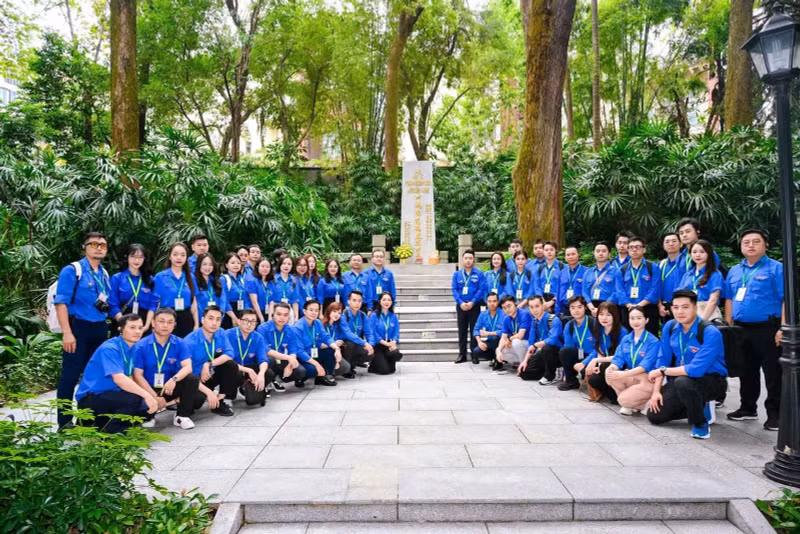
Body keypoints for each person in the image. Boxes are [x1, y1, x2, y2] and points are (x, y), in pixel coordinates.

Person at [723, 229, 784, 431]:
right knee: (745, 371)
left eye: (755, 242)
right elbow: (729, 298)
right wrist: (728, 324)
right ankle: (747, 408)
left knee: (773, 373)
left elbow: (786, 300)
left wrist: (783, 328)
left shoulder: (776, 269)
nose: (750, 245)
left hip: (768, 328)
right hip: (741, 328)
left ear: (765, 245)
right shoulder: (735, 270)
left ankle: (775, 414)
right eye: (746, 242)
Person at [647, 290, 728, 439]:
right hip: (680, 380)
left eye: (685, 307)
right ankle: (697, 404)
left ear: (695, 308)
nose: (680, 312)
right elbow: (662, 360)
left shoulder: (710, 332)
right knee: (655, 416)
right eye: (676, 307)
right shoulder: (670, 327)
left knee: (684, 382)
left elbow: (696, 370)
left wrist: (663, 371)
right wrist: (656, 392)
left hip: (711, 380)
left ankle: (700, 422)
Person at [54, 232, 112, 429]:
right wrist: (67, 332)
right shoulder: (73, 270)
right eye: (94, 244)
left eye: (103, 245)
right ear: (85, 247)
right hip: (78, 327)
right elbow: (61, 302)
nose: (99, 248)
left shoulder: (104, 273)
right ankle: (64, 421)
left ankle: (87, 419)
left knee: (94, 374)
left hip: (100, 328)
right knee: (70, 375)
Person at [75, 314, 156, 433]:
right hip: (91, 397)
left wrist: (151, 398)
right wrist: (147, 395)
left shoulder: (133, 348)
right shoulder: (110, 348)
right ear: (121, 329)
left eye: (140, 327)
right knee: (135, 399)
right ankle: (111, 433)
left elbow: (129, 376)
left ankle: (102, 424)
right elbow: (119, 379)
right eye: (132, 327)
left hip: (111, 395)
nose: (137, 331)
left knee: (145, 406)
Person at [132, 308, 206, 430]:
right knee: (140, 409)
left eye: (170, 322)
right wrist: (153, 397)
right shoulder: (141, 346)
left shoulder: (180, 343)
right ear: (153, 323)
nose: (165, 325)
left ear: (174, 325)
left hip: (169, 387)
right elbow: (137, 376)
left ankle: (181, 416)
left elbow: (188, 367)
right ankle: (150, 415)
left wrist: (174, 380)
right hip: (147, 388)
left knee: (192, 381)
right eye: (161, 321)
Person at [183, 306, 238, 416]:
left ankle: (220, 401)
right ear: (203, 320)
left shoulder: (221, 333)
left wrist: (208, 364)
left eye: (218, 319)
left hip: (210, 374)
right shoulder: (190, 341)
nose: (214, 323)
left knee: (231, 366)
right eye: (211, 318)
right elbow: (185, 373)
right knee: (197, 402)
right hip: (194, 379)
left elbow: (229, 354)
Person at [605, 306, 661, 415]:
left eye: (639, 318)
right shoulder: (626, 339)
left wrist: (623, 374)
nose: (635, 321)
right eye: (632, 318)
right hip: (632, 376)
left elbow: (645, 366)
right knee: (610, 375)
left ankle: (637, 403)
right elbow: (618, 359)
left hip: (648, 378)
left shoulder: (653, 341)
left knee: (622, 399)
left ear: (646, 320)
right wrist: (612, 368)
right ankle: (634, 404)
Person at [226, 308, 273, 405]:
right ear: (239, 321)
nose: (249, 324)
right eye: (246, 320)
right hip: (233, 367)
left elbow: (262, 359)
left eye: (253, 322)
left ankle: (246, 388)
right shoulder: (228, 335)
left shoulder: (258, 337)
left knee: (268, 373)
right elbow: (227, 362)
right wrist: (249, 371)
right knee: (232, 371)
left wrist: (261, 374)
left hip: (248, 365)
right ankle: (228, 396)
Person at [614, 236, 661, 334]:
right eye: (631, 247)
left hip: (648, 309)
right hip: (627, 309)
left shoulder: (653, 267)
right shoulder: (622, 270)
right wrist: (629, 305)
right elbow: (619, 290)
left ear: (644, 249)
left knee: (650, 337)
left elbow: (655, 289)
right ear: (628, 250)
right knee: (628, 337)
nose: (634, 250)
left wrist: (640, 305)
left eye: (638, 247)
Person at [256, 303, 307, 391]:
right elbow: (266, 350)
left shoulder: (290, 330)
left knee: (300, 371)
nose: (282, 318)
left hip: (281, 359)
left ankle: (277, 380)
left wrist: (290, 366)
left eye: (285, 315)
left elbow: (293, 351)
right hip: (265, 360)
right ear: (273, 315)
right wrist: (289, 358)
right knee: (270, 359)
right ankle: (267, 383)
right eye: (279, 314)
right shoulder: (263, 328)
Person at [583, 302, 627, 402]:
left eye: (608, 315)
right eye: (601, 314)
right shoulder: (599, 329)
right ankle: (611, 394)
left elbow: (619, 357)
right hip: (605, 364)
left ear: (615, 316)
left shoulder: (622, 332)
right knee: (591, 378)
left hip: (620, 366)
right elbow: (598, 350)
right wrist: (594, 364)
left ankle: (619, 394)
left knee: (605, 366)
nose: (604, 318)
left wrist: (596, 361)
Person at [153, 242, 197, 337]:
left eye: (182, 255)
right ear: (169, 256)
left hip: (186, 318)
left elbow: (194, 302)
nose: (179, 258)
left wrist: (196, 324)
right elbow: (156, 303)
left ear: (186, 258)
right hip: (166, 318)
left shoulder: (191, 277)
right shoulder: (160, 277)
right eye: (175, 254)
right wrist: (155, 323)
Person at [109, 244, 155, 336]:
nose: (137, 260)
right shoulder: (117, 278)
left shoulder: (149, 280)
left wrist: (146, 326)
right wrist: (124, 324)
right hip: (123, 322)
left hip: (143, 324)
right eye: (133, 256)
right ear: (127, 257)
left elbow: (152, 305)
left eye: (140, 257)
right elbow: (113, 304)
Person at [519, 296, 563, 383]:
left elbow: (552, 340)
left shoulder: (554, 319)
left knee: (547, 347)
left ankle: (550, 376)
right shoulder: (535, 322)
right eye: (531, 307)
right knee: (524, 373)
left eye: (537, 306)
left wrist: (536, 345)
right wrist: (525, 361)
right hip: (542, 353)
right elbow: (530, 343)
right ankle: (550, 371)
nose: (534, 310)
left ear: (543, 306)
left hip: (556, 353)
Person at [293, 300, 338, 386]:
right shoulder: (298, 327)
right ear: (304, 311)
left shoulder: (317, 322)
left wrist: (336, 348)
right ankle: (300, 378)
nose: (314, 313)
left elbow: (326, 336)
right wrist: (317, 364)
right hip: (302, 357)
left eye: (316, 310)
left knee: (330, 350)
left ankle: (322, 377)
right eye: (311, 310)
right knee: (313, 369)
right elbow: (299, 351)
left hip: (314, 353)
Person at [452, 249, 486, 364]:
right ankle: (462, 354)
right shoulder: (457, 274)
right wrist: (461, 302)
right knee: (462, 331)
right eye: (466, 258)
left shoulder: (479, 274)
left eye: (470, 258)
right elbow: (454, 289)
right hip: (461, 305)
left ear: (473, 260)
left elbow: (481, 289)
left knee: (474, 330)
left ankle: (474, 354)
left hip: (474, 306)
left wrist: (472, 302)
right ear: (462, 260)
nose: (468, 260)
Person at [676, 239, 723, 321]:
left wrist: (701, 321)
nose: (698, 255)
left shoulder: (715, 274)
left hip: (708, 313)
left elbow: (713, 300)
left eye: (702, 252)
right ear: (690, 255)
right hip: (688, 312)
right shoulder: (687, 275)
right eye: (694, 252)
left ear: (709, 254)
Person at [558, 295, 597, 388]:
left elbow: (598, 348)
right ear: (569, 310)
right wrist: (565, 373)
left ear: (585, 308)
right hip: (579, 354)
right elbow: (568, 348)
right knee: (564, 351)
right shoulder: (569, 325)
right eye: (573, 308)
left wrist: (584, 362)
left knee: (590, 378)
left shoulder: (593, 323)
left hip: (592, 356)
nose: (576, 310)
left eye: (579, 307)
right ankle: (571, 381)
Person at [494, 295, 532, 373]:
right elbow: (503, 338)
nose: (507, 310)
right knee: (501, 351)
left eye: (509, 306)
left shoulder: (524, 314)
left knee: (516, 342)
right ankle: (521, 362)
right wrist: (498, 350)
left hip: (528, 344)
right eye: (504, 308)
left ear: (515, 304)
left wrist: (509, 339)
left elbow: (520, 335)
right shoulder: (506, 318)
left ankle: (523, 366)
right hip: (519, 346)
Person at [367, 292, 403, 374]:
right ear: (380, 301)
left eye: (389, 300)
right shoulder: (374, 315)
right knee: (384, 371)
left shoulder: (393, 316)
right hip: (378, 344)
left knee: (392, 369)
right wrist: (385, 343)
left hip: (389, 343)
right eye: (384, 300)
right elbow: (373, 332)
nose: (386, 302)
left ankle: (385, 360)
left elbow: (396, 332)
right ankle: (373, 365)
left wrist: (394, 341)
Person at [340, 290, 374, 376]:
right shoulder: (344, 314)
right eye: (354, 300)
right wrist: (364, 342)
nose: (357, 303)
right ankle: (346, 370)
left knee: (370, 353)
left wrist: (371, 344)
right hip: (344, 344)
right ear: (348, 301)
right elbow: (347, 334)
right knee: (350, 344)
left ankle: (352, 366)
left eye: (359, 301)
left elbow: (369, 332)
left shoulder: (363, 315)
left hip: (357, 342)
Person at [194, 253, 231, 326]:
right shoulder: (194, 281)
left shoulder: (217, 281)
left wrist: (219, 317)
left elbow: (223, 301)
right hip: (202, 321)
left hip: (217, 321)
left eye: (210, 264)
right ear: (199, 265)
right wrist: (204, 318)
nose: (207, 267)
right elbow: (196, 303)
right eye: (204, 264)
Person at [583, 241, 617, 317]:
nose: (600, 253)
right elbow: (585, 291)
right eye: (598, 251)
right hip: (591, 307)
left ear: (609, 254)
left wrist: (603, 307)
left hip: (609, 306)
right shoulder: (588, 272)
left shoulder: (616, 272)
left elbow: (616, 292)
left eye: (604, 251)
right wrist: (591, 307)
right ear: (594, 253)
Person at [320, 301, 353, 379]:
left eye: (339, 313)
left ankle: (329, 370)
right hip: (323, 351)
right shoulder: (322, 325)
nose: (337, 315)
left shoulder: (337, 326)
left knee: (346, 367)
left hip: (335, 351)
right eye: (334, 311)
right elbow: (319, 344)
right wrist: (334, 344)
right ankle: (325, 372)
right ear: (329, 311)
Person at [472, 292, 506, 364]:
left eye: (494, 301)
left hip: (501, 342)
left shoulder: (503, 314)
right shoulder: (483, 314)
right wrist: (480, 342)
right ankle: (493, 357)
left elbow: (504, 331)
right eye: (489, 301)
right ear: (486, 302)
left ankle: (498, 362)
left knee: (495, 338)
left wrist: (488, 333)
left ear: (498, 302)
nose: (492, 303)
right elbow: (476, 330)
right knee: (476, 351)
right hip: (490, 342)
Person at [658, 232, 683, 324]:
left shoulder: (686, 262)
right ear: (663, 245)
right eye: (667, 242)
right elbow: (657, 286)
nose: (670, 244)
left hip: (681, 305)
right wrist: (660, 305)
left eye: (674, 241)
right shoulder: (661, 264)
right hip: (664, 307)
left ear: (681, 244)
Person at [533, 241, 562, 315]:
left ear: (556, 251)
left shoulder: (562, 267)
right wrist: (543, 302)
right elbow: (537, 286)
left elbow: (563, 288)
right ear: (543, 251)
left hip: (557, 301)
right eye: (546, 250)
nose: (549, 252)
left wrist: (552, 302)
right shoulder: (540, 268)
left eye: (551, 250)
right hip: (542, 301)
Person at [559, 246, 587, 321]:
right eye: (568, 255)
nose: (570, 257)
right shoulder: (562, 272)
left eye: (573, 254)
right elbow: (559, 292)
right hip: (565, 307)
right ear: (565, 257)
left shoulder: (586, 271)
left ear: (578, 255)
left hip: (580, 307)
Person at [221, 252, 247, 329]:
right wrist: (234, 317)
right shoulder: (223, 279)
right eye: (232, 263)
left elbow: (246, 298)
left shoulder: (241, 279)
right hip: (229, 313)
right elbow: (224, 300)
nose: (236, 265)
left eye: (238, 263)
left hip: (241, 311)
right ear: (226, 265)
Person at [271, 254, 300, 321]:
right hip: (276, 309)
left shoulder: (294, 280)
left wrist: (296, 316)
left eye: (289, 264)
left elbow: (295, 300)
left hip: (289, 310)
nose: (286, 266)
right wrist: (271, 314)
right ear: (280, 264)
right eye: (284, 263)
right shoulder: (273, 279)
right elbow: (271, 299)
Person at [247, 258, 274, 324]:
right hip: (256, 313)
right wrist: (261, 318)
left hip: (268, 312)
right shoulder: (253, 281)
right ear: (257, 267)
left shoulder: (271, 283)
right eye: (262, 266)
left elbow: (272, 301)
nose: (265, 269)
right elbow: (254, 302)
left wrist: (270, 317)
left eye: (267, 267)